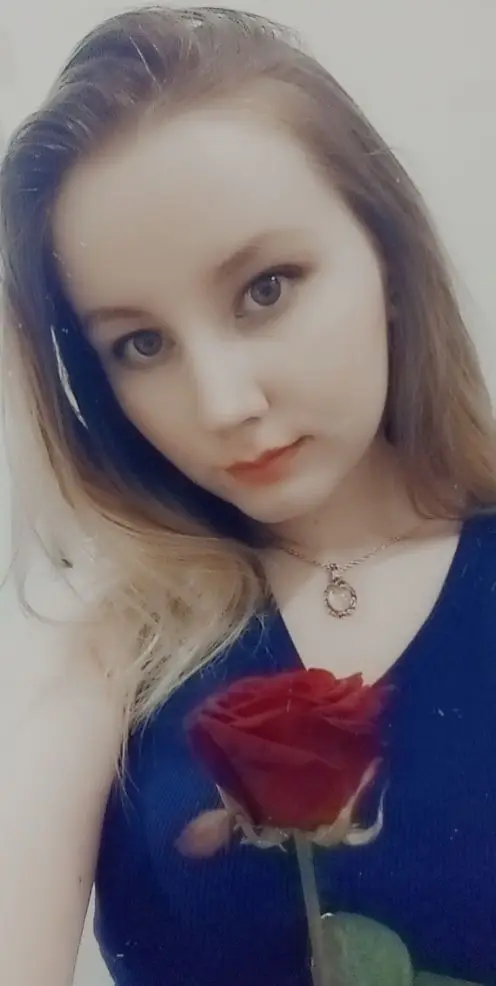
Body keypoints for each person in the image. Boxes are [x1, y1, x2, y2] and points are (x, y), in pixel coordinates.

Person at [0, 6, 495, 985]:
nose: (223, 404)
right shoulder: (115, 659)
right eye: (141, 344)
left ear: (388, 259)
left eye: (266, 288)